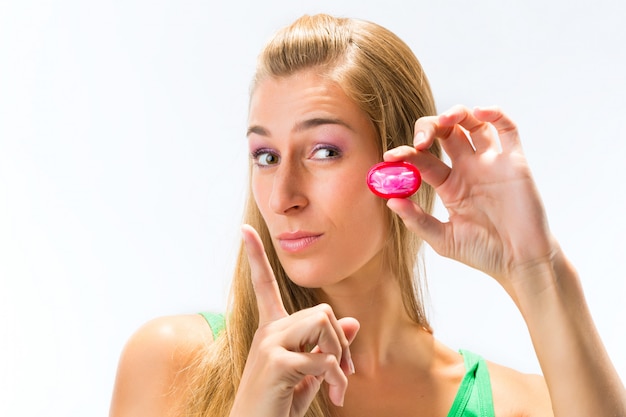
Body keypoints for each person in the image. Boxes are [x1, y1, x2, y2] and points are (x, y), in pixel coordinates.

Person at [109, 13, 625, 417]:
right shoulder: (174, 363)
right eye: (266, 157)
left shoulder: (524, 406)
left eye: (324, 152)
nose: (283, 195)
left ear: (401, 170)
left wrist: (535, 267)